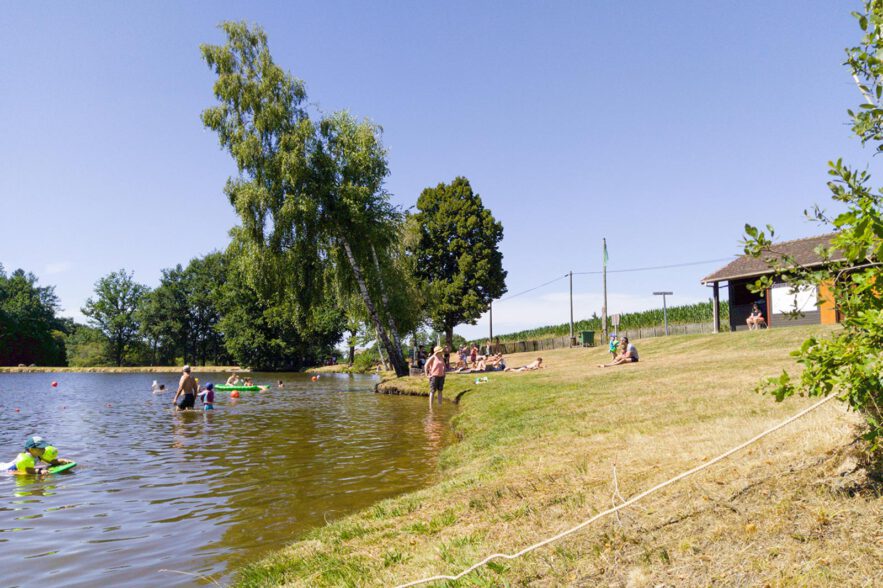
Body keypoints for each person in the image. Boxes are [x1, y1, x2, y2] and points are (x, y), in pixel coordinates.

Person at [2, 436, 71, 475]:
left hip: (24, 468)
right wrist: (40, 471)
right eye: (40, 448)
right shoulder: (26, 457)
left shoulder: (38, 454)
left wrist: (62, 460)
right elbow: (28, 470)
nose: (43, 450)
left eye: (44, 447)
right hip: (8, 469)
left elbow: (51, 461)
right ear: (31, 449)